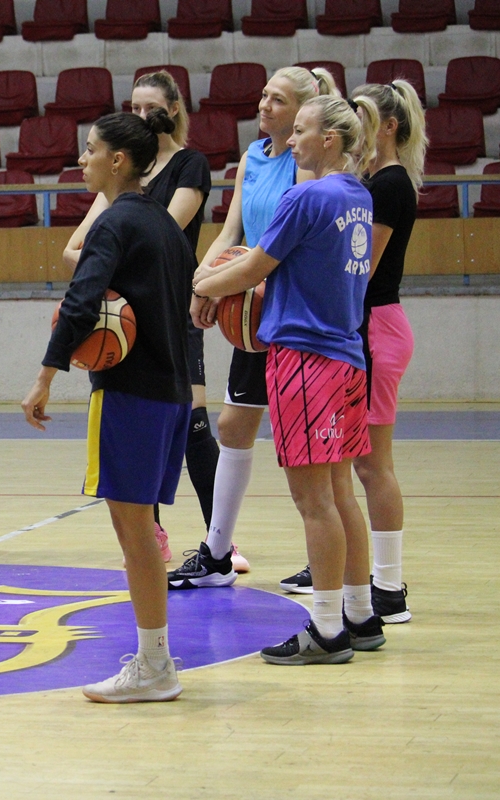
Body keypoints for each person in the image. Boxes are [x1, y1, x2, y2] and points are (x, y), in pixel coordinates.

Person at [193, 94, 384, 665]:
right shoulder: (358, 195)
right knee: (341, 494)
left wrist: (201, 287)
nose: (291, 141)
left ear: (329, 139)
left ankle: (325, 629)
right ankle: (359, 614)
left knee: (313, 500)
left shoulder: (305, 196)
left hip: (305, 357)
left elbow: (254, 267)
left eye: (300, 131)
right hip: (348, 355)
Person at [22, 110, 193, 702]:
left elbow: (80, 303)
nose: (82, 159)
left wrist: (45, 376)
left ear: (117, 160)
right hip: (172, 393)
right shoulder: (165, 225)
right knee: (141, 530)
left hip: (131, 394)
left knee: (134, 532)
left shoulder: (114, 222)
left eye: (90, 149)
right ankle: (155, 660)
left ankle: (155, 666)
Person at [167, 66, 338, 591]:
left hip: (295, 312)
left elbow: (284, 245)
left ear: (304, 111)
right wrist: (202, 283)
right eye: (264, 95)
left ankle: (326, 558)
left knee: (309, 451)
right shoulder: (253, 157)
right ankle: (217, 554)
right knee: (233, 428)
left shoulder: (308, 166)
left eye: (278, 99)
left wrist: (221, 285)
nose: (264, 105)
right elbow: (232, 232)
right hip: (255, 310)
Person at [276, 81, 425, 623]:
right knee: (350, 471)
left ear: (387, 127)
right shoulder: (368, 184)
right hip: (368, 326)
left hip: (374, 325)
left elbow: (359, 272)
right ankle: (356, 582)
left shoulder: (387, 185)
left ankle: (388, 586)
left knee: (371, 466)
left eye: (363, 118)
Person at [64, 71, 215, 565]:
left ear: (173, 111)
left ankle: (219, 537)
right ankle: (152, 531)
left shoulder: (188, 164)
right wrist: (103, 264)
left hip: (171, 308)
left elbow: (160, 235)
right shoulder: (115, 179)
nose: (143, 114)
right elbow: (72, 250)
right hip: (125, 313)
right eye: (134, 107)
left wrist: (107, 257)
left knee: (194, 422)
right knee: (136, 431)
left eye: (152, 107)